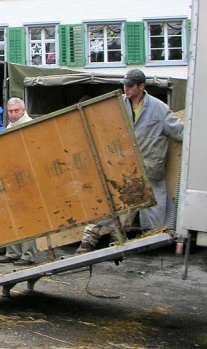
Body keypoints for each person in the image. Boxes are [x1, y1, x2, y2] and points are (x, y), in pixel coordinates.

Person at [77, 69, 184, 253]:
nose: (126, 89)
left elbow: (179, 131)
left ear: (141, 86)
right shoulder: (117, 105)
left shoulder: (158, 108)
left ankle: (146, 242)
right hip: (123, 165)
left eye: (130, 86)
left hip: (150, 167)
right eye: (124, 85)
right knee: (111, 202)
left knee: (152, 208)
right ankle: (89, 241)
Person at [0, 98, 37, 266]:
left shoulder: (30, 126)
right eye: (10, 111)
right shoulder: (10, 127)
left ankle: (28, 254)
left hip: (26, 177)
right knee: (11, 215)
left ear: (23, 110)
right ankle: (13, 251)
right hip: (11, 177)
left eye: (16, 111)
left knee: (27, 217)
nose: (13, 114)